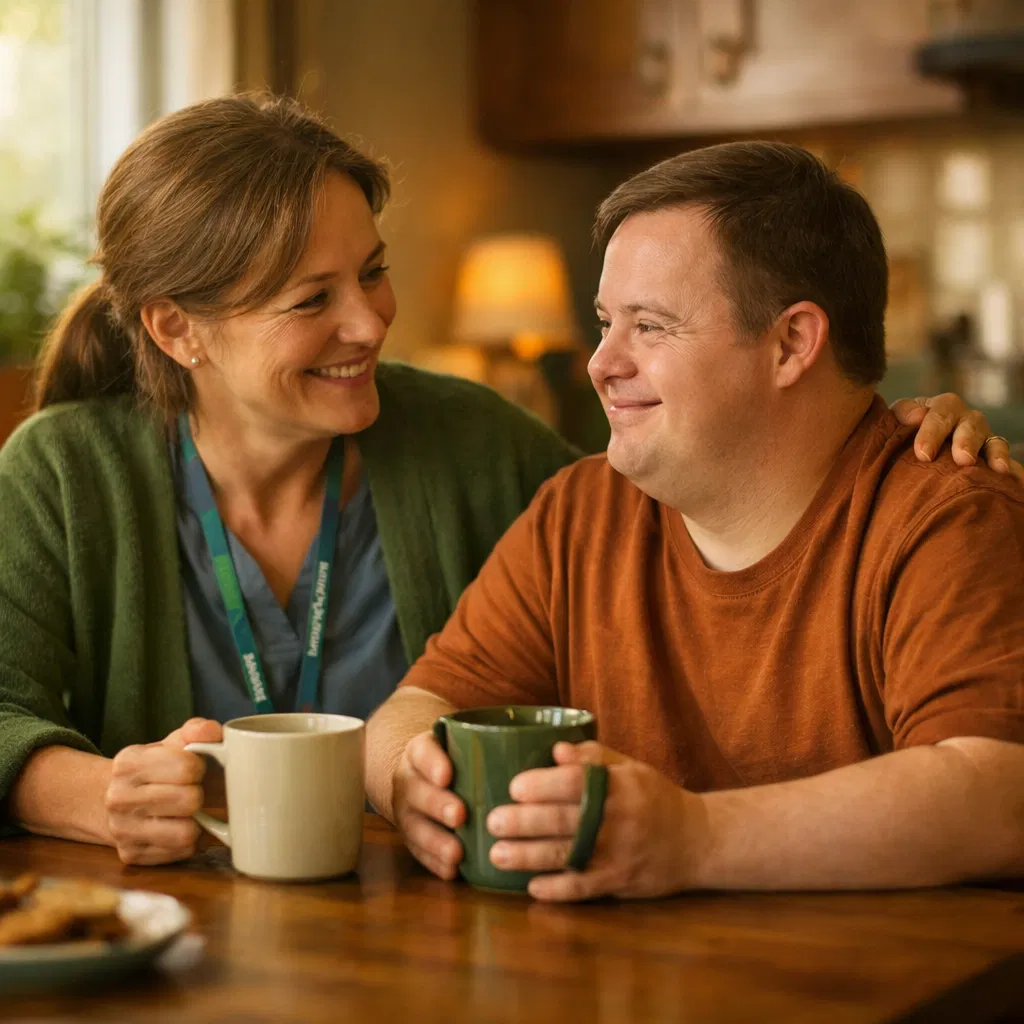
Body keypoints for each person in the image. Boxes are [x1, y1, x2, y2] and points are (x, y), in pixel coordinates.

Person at [0, 97, 1007, 867]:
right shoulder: (65, 471)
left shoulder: (486, 447)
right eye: (311, 299)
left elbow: (737, 489)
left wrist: (872, 427)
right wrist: (103, 797)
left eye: (373, 271)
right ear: (177, 330)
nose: (370, 321)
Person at [366, 141, 1024, 901]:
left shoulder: (950, 519)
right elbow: (416, 708)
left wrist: (695, 837)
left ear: (791, 343)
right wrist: (410, 778)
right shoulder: (579, 512)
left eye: (650, 326)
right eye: (605, 322)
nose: (600, 363)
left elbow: (1000, 794)